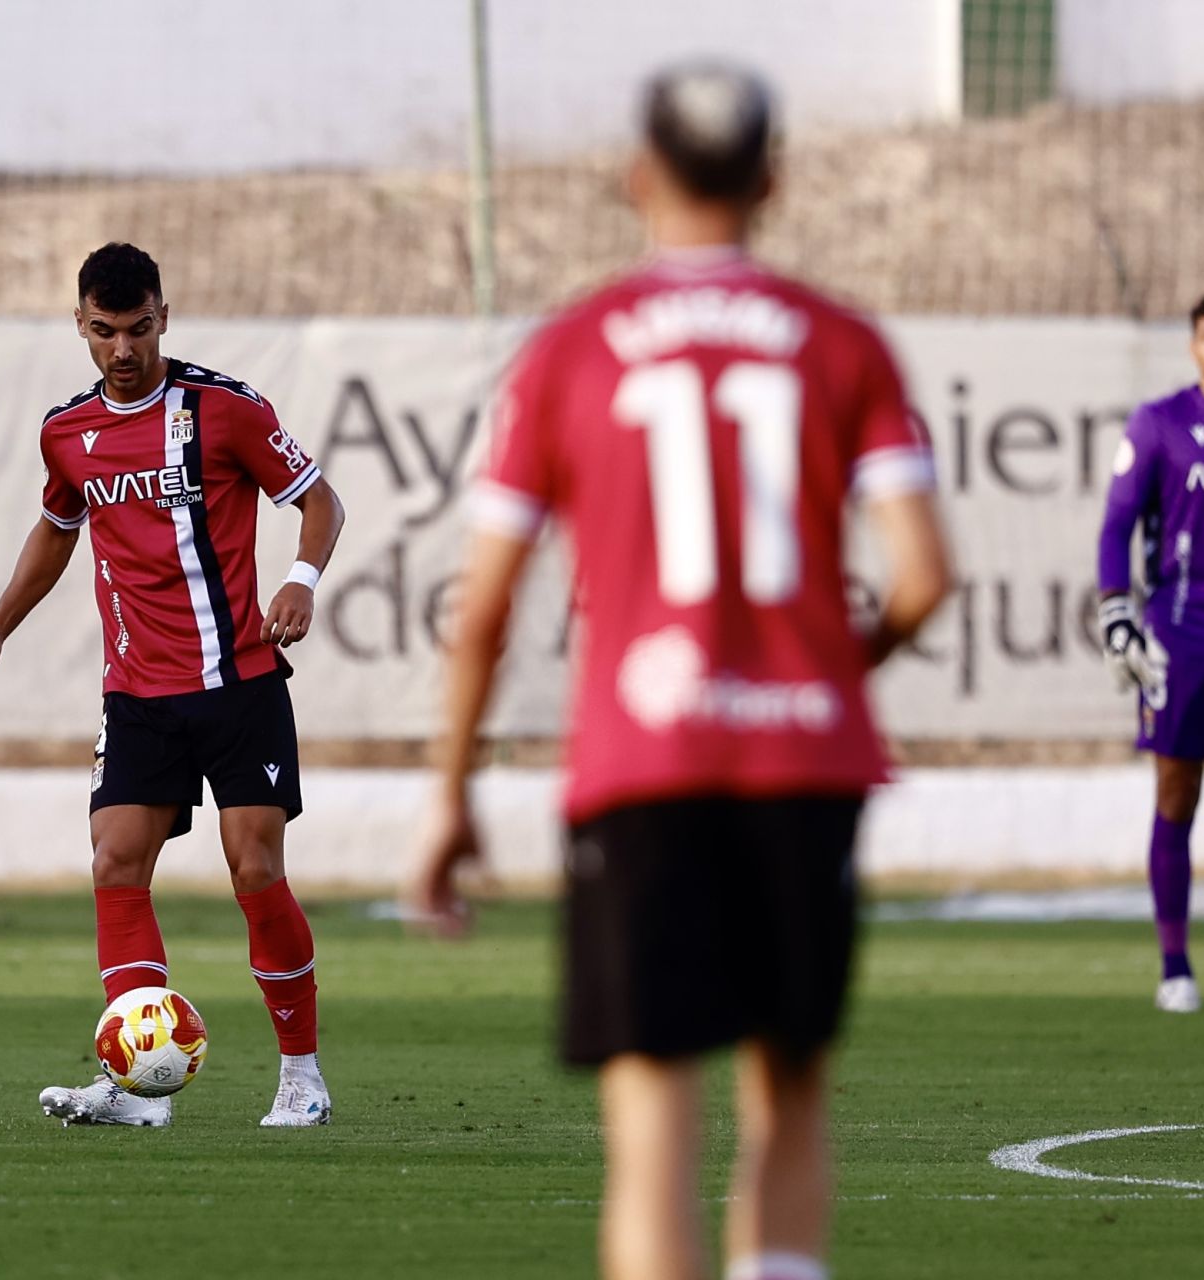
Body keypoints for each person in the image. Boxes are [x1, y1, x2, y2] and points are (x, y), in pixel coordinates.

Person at [410, 63, 951, 1280]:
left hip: (642, 767)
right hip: (804, 761)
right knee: (791, 1088)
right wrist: (831, 668)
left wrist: (449, 794)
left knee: (653, 1122)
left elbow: (483, 607)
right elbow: (922, 577)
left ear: (637, 175)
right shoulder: (847, 342)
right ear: (773, 180)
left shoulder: (568, 351)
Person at [0, 242, 346, 1127]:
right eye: (104, 331)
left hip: (238, 683)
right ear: (80, 325)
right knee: (115, 863)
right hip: (137, 695)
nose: (122, 349)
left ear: (164, 317)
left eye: (137, 329)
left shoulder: (226, 410)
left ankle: (301, 1077)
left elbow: (321, 499)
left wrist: (301, 580)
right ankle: (137, 1091)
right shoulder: (66, 433)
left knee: (255, 871)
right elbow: (56, 531)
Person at [1096, 290, 1204, 1015]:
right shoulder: (1161, 423)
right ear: (1193, 344)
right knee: (1178, 793)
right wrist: (1117, 609)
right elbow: (1117, 525)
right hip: (1183, 633)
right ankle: (1175, 966)